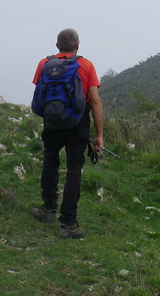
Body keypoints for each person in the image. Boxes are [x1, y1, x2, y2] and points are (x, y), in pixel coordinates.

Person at [30, 28, 104, 239]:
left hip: (52, 121)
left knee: (50, 162)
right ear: (77, 46)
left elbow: (39, 92)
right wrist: (99, 133)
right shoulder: (86, 65)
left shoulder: (44, 64)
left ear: (57, 46)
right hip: (77, 122)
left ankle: (48, 209)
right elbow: (95, 100)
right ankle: (68, 223)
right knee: (74, 169)